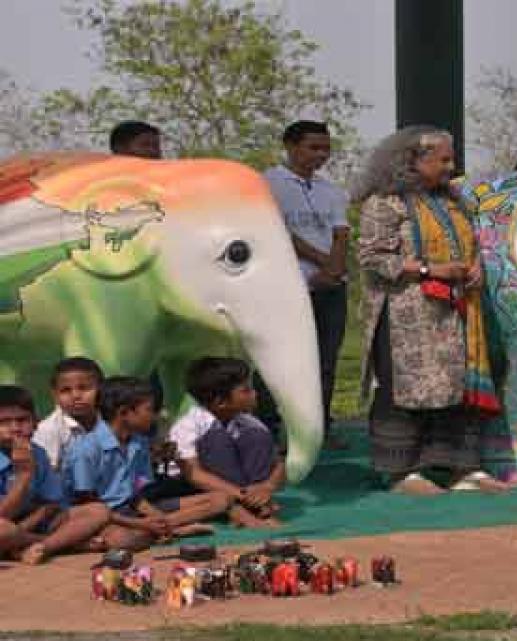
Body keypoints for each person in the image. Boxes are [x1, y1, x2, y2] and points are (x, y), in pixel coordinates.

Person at [354, 125, 505, 495]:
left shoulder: (454, 202)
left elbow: (472, 245)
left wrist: (476, 268)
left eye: (452, 159)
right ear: (413, 160)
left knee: (456, 387)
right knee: (407, 390)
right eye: (443, 160)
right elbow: (371, 256)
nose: (451, 167)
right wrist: (428, 270)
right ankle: (401, 472)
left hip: (455, 313)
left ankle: (459, 467)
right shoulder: (384, 203)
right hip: (406, 316)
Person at [63, 377, 229, 551]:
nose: (154, 415)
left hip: (131, 510)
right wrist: (142, 523)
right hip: (101, 516)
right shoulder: (86, 449)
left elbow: (135, 496)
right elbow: (90, 506)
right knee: (123, 540)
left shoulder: (139, 443)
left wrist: (156, 518)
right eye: (149, 409)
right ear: (124, 413)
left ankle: (164, 529)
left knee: (220, 500)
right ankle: (170, 530)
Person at [264, 120, 350, 445]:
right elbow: (278, 231)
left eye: (326, 148)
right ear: (290, 145)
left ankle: (319, 428)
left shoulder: (330, 189)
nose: (321, 154)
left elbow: (341, 232)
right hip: (289, 285)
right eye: (313, 147)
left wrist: (334, 269)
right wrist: (322, 261)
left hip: (331, 286)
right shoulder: (269, 183)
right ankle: (270, 429)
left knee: (325, 360)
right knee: (280, 359)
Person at [168, 357, 285, 528]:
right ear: (220, 402)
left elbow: (279, 464)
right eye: (246, 391)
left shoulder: (249, 423)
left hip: (242, 490)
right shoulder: (188, 426)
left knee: (256, 436)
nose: (254, 394)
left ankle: (257, 503)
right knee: (216, 439)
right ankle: (239, 508)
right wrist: (243, 494)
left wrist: (266, 487)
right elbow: (195, 475)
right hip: (193, 488)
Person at [0, 385, 109, 564]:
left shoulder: (38, 452)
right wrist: (24, 475)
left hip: (32, 523)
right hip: (7, 525)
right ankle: (65, 544)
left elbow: (51, 505)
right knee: (3, 530)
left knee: (98, 511)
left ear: (35, 422)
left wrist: (23, 530)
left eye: (22, 420)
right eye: (3, 422)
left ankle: (40, 547)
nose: (15, 428)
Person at [32, 357, 104, 470]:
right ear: (55, 395)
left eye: (84, 388)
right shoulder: (47, 430)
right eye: (65, 390)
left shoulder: (110, 418)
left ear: (101, 389)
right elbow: (50, 475)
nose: (75, 396)